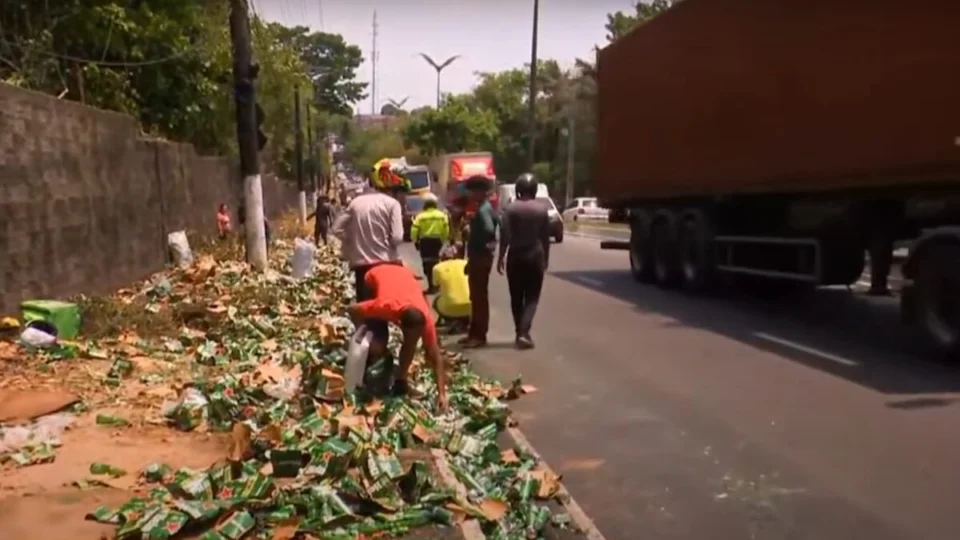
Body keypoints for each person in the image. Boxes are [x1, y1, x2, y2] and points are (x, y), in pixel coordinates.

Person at [347, 263, 447, 410]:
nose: (415, 337)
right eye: (410, 334)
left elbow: (436, 357)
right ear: (400, 324)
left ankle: (401, 382)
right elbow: (353, 309)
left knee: (410, 344)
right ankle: (367, 376)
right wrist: (362, 331)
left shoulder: (426, 320)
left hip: (404, 275)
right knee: (376, 345)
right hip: (373, 277)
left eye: (418, 334)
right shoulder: (383, 306)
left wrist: (442, 394)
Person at [332, 160, 408, 352]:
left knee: (366, 312)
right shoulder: (392, 204)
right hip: (384, 267)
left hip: (361, 268)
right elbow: (397, 237)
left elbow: (336, 229)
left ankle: (365, 354)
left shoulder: (356, 203)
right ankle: (379, 356)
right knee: (381, 314)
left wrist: (353, 241)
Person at [497, 173, 551, 349]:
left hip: (515, 257)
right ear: (534, 189)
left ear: (518, 190)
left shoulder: (510, 209)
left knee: (516, 297)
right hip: (535, 255)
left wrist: (500, 257)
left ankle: (519, 332)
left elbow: (505, 236)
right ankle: (524, 332)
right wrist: (546, 259)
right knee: (532, 297)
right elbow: (545, 238)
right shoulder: (542, 210)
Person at [461, 175, 498, 348]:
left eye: (472, 190)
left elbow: (489, 229)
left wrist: (472, 233)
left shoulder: (483, 211)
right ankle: (474, 332)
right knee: (476, 297)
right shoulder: (484, 208)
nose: (469, 194)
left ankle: (479, 335)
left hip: (480, 258)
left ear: (479, 192)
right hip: (479, 258)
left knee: (479, 298)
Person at [410, 193, 450, 293]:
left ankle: (432, 286)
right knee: (436, 262)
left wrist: (415, 241)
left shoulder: (420, 216)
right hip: (437, 241)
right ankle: (437, 285)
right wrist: (444, 240)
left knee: (427, 264)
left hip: (425, 242)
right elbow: (446, 229)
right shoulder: (442, 215)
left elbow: (414, 230)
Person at [432, 245, 471, 333]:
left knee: (435, 302)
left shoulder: (437, 268)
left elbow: (435, 286)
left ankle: (452, 320)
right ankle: (465, 321)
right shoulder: (465, 263)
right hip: (471, 305)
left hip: (450, 307)